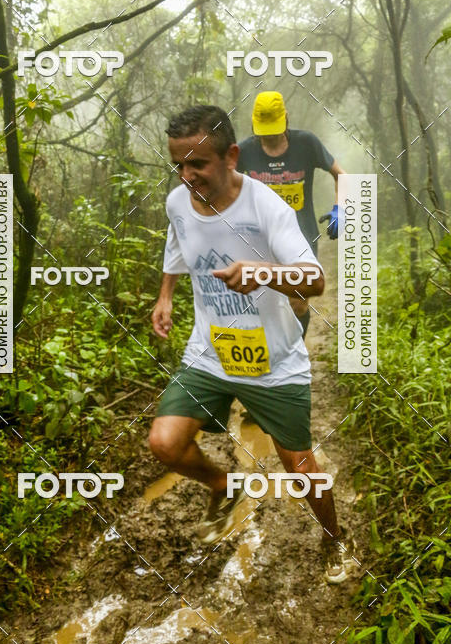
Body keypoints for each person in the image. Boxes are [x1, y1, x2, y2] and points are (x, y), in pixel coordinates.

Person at [149, 105, 356, 584]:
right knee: (165, 442)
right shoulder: (178, 201)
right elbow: (177, 244)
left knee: (301, 467)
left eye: (197, 164)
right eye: (178, 165)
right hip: (211, 352)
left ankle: (334, 541)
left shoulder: (267, 207)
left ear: (231, 157)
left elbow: (315, 280)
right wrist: (165, 296)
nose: (186, 175)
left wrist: (261, 272)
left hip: (273, 360)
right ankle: (225, 484)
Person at [237, 91, 345, 336]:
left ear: (286, 118)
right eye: (263, 129)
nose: (269, 136)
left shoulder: (306, 143)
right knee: (262, 302)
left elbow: (342, 174)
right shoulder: (244, 151)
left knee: (297, 302)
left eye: (273, 128)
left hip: (301, 234)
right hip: (259, 237)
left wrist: (341, 208)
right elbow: (223, 186)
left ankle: (294, 356)